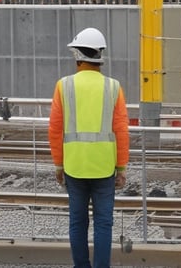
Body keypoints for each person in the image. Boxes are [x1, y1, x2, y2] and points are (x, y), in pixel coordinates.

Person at [48, 27, 129, 268]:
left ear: (77, 56)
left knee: (77, 221)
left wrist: (59, 164)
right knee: (104, 223)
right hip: (105, 167)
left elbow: (55, 130)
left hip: (74, 165)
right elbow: (121, 130)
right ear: (99, 55)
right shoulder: (113, 87)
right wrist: (121, 166)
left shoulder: (64, 86)